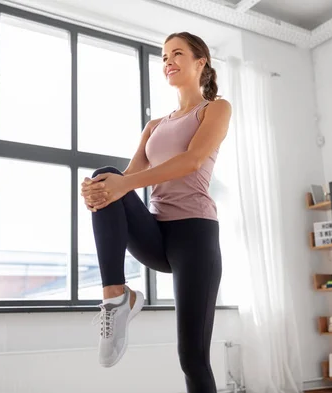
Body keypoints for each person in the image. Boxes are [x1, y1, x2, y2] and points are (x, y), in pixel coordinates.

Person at [80, 31, 232, 393]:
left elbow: (192, 160)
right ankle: (117, 297)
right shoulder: (154, 126)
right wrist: (98, 191)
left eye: (177, 54)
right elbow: (127, 179)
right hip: (155, 234)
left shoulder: (215, 108)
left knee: (192, 357)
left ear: (201, 62)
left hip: (195, 237)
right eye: (164, 57)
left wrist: (121, 185)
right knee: (106, 176)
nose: (168, 62)